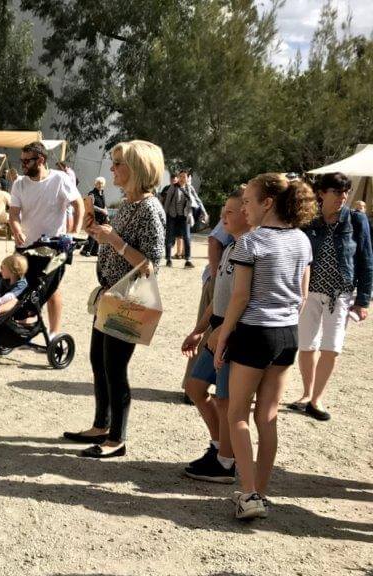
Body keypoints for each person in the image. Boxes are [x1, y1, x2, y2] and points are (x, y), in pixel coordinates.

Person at [214, 173, 316, 521]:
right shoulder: (302, 240)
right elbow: (302, 296)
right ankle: (263, 491)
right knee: (268, 416)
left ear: (267, 203)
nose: (243, 208)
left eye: (247, 201)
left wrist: (223, 336)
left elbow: (240, 297)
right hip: (287, 334)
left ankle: (248, 492)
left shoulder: (251, 243)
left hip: (254, 333)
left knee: (237, 414)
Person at [63, 140, 166, 459]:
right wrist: (101, 235)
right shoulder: (129, 203)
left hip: (129, 299)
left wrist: (115, 241)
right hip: (110, 294)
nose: (112, 168)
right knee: (99, 361)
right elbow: (117, 244)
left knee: (115, 367)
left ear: (136, 169)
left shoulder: (149, 207)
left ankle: (116, 437)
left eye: (118, 163)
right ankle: (101, 424)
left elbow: (152, 264)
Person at [179, 190, 252, 483]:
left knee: (225, 399)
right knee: (195, 388)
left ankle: (226, 463)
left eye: (230, 213)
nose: (223, 218)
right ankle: (220, 446)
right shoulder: (230, 248)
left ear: (247, 215)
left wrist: (223, 330)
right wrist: (199, 329)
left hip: (232, 332)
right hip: (215, 330)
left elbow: (243, 299)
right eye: (223, 211)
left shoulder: (249, 248)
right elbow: (218, 297)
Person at [290, 172, 372, 421]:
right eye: (337, 192)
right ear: (322, 194)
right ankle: (306, 394)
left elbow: (367, 260)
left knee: (331, 347)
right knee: (306, 344)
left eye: (345, 192)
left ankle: (317, 398)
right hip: (309, 293)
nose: (343, 197)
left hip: (341, 294)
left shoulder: (356, 220)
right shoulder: (308, 220)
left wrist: (363, 301)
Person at [8, 142, 84, 336]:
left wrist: (74, 231)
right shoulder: (19, 184)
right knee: (20, 286)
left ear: (40, 160)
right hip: (25, 246)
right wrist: (16, 229)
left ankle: (54, 332)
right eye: (22, 160)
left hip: (53, 247)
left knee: (51, 289)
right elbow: (14, 215)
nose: (23, 164)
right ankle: (22, 323)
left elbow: (78, 204)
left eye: (27, 161)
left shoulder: (60, 179)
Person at [162, 170, 195, 268]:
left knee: (187, 237)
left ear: (187, 178)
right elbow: (167, 202)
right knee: (169, 237)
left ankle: (188, 260)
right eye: (180, 176)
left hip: (184, 217)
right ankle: (168, 259)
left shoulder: (189, 188)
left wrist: (190, 214)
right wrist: (164, 215)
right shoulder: (173, 187)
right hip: (172, 215)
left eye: (184, 177)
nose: (181, 178)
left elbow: (192, 202)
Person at [80, 177, 107, 256]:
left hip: (102, 217)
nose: (100, 185)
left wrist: (106, 212)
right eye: (98, 183)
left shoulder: (102, 193)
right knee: (93, 234)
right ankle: (86, 251)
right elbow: (91, 205)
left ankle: (94, 251)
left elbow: (104, 205)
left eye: (101, 183)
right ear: (95, 184)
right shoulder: (92, 193)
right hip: (94, 216)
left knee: (98, 234)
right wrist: (102, 210)